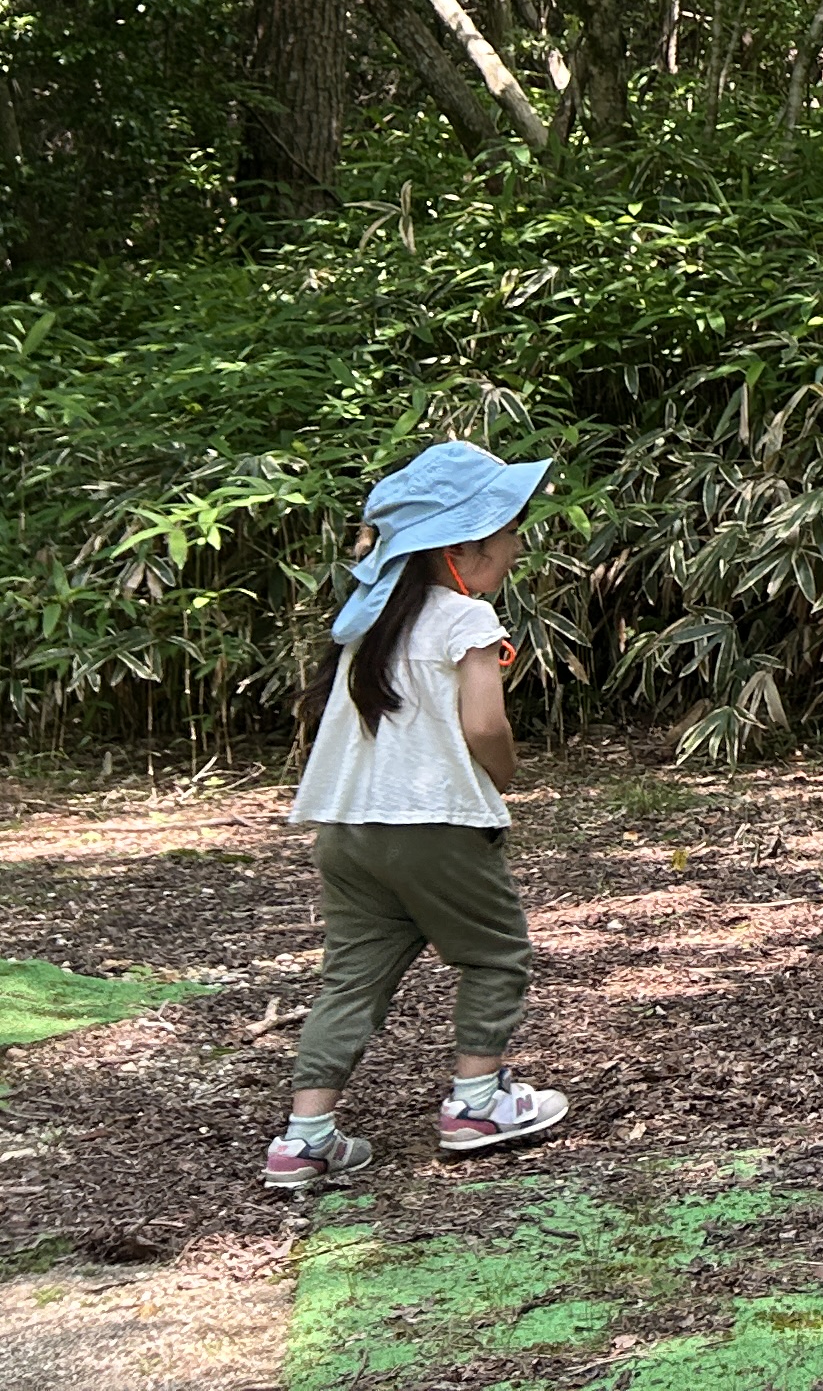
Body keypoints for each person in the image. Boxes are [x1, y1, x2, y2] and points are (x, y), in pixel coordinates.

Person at [266, 439, 570, 1189]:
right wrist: (503, 775)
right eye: (508, 532)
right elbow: (485, 726)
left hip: (345, 828)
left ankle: (304, 1139)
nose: (518, 546)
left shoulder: (364, 623)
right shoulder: (467, 618)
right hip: (436, 825)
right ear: (460, 546)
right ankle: (476, 1104)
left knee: (351, 978)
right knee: (494, 955)